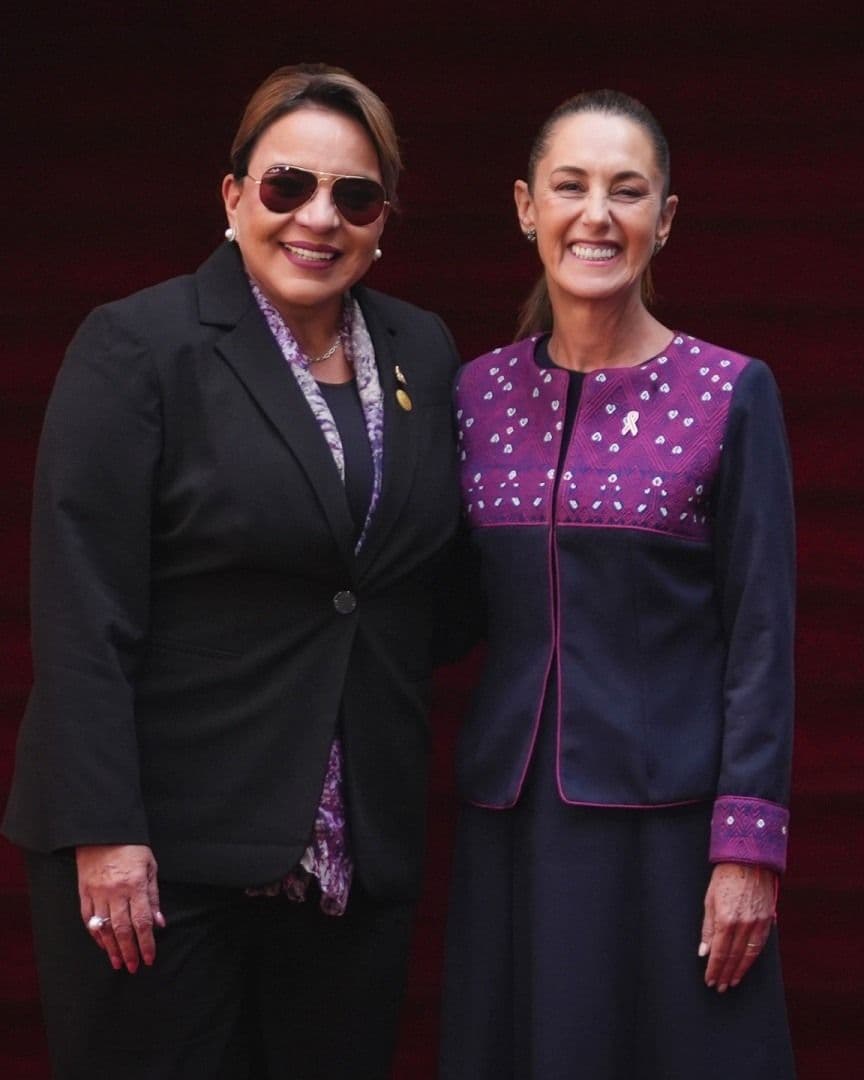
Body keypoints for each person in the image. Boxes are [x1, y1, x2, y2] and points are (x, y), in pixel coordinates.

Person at [3, 62, 464, 1079]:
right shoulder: (139, 345)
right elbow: (82, 608)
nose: (319, 218)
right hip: (160, 855)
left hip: (350, 854)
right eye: (287, 185)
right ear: (233, 196)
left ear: (383, 221)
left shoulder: (422, 352)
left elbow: (423, 587)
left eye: (356, 196)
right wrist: (104, 831)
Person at [440, 89, 796, 1079]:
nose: (596, 214)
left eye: (627, 191)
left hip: (671, 833)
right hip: (511, 824)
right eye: (571, 186)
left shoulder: (730, 392)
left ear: (664, 219)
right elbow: (439, 601)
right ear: (527, 206)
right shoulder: (475, 393)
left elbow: (762, 631)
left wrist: (749, 849)